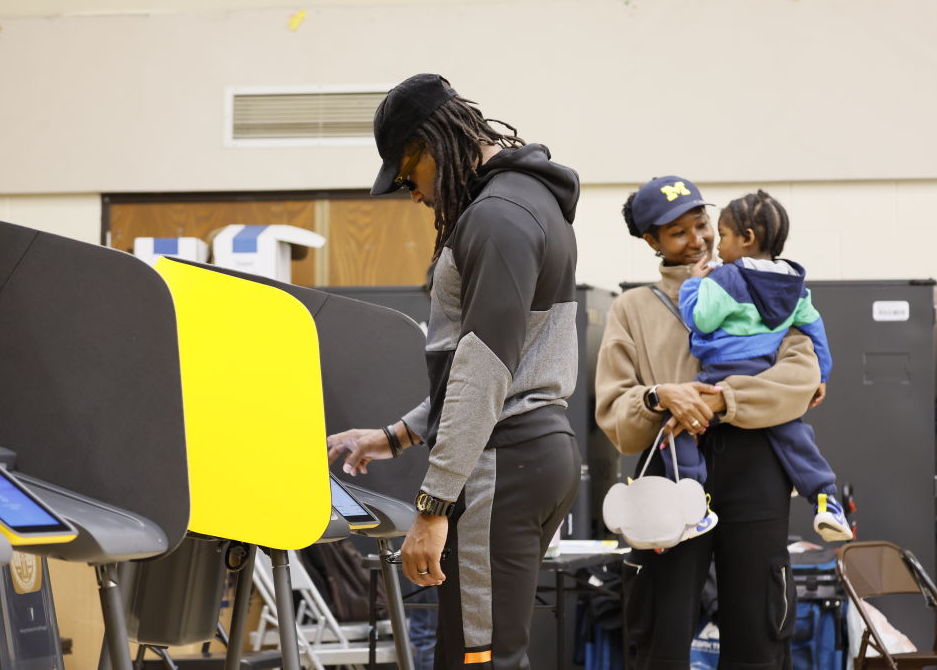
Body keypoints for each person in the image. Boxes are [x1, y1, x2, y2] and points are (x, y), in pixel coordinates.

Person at [327, 73, 581, 669]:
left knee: (482, 660)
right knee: (470, 653)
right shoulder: (526, 202)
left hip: (504, 461)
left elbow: (485, 371)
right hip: (531, 449)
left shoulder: (497, 217)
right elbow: (494, 363)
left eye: (407, 176)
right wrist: (399, 435)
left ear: (431, 146)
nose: (413, 195)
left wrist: (431, 507)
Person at [594, 175, 822, 669]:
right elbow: (615, 414)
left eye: (701, 225)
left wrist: (725, 401)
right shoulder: (632, 309)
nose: (697, 240)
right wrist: (659, 396)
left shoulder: (767, 283)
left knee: (758, 628)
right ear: (651, 242)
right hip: (672, 469)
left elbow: (802, 377)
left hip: (756, 465)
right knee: (661, 629)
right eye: (678, 233)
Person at [673, 189, 852, 541]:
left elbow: (702, 320)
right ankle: (826, 499)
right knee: (793, 432)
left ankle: (693, 505)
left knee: (679, 426)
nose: (719, 245)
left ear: (747, 238)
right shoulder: (794, 284)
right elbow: (815, 328)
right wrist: (823, 375)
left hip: (723, 372)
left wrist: (694, 283)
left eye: (723, 236)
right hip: (766, 371)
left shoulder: (727, 277)